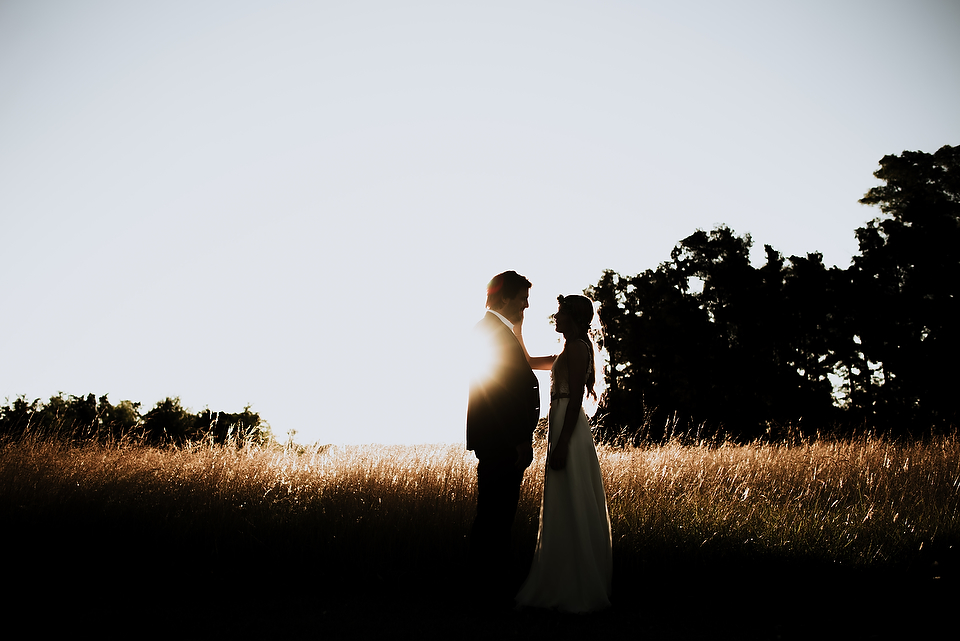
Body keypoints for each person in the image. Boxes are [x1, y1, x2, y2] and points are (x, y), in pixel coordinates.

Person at [515, 294, 612, 613]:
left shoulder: (578, 348)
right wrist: (518, 328)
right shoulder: (566, 349)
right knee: (563, 500)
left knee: (572, 497)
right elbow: (528, 362)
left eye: (560, 312)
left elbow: (573, 403)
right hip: (560, 424)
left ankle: (576, 584)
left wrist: (562, 444)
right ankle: (562, 577)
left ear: (573, 316)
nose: (555, 317)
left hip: (568, 429)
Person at [466, 270, 542, 599]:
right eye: (523, 298)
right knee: (495, 518)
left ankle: (487, 587)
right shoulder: (491, 332)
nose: (526, 305)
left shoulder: (498, 329)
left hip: (498, 439)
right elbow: (501, 393)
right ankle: (487, 590)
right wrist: (519, 439)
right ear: (505, 297)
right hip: (501, 441)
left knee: (495, 517)